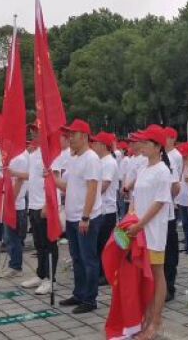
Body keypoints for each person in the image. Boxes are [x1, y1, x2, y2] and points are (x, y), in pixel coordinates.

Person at [126, 125, 173, 340]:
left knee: (156, 274)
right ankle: (145, 317)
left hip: (152, 231)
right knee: (142, 277)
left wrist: (140, 225)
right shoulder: (143, 168)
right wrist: (129, 220)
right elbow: (135, 198)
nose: (141, 146)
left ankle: (156, 321)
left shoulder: (163, 171)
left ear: (157, 147)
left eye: (146, 143)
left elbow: (159, 203)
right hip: (138, 230)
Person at [58, 119, 103, 314]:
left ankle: (90, 299)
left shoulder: (91, 158)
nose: (70, 138)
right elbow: (69, 187)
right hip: (72, 217)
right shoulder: (74, 158)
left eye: (73, 134)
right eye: (68, 134)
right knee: (76, 258)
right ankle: (79, 293)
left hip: (87, 218)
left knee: (88, 259)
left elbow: (92, 189)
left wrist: (85, 217)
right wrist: (50, 176)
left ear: (84, 136)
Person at [21, 127, 59, 295]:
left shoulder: (50, 154)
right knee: (39, 244)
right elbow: (31, 177)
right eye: (32, 131)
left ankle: (50, 278)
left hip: (44, 205)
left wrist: (48, 204)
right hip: (33, 205)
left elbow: (54, 181)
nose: (33, 134)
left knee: (49, 243)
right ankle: (40, 274)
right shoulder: (34, 153)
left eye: (36, 131)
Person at [91, 131, 119, 286]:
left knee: (103, 244)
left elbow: (105, 185)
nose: (93, 145)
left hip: (106, 210)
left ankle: (105, 274)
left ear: (103, 145)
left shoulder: (109, 162)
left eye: (95, 143)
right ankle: (101, 272)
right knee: (98, 244)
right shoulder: (101, 161)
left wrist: (89, 195)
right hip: (100, 208)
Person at [2, 149, 29, 278]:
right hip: (9, 204)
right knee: (9, 238)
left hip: (16, 206)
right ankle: (14, 264)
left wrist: (10, 201)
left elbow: (20, 180)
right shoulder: (10, 157)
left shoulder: (20, 159)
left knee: (14, 238)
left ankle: (16, 267)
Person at [164, 126, 182, 302]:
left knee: (169, 254)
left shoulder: (170, 159)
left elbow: (176, 186)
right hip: (149, 218)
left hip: (166, 215)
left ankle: (169, 287)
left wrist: (167, 200)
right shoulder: (143, 162)